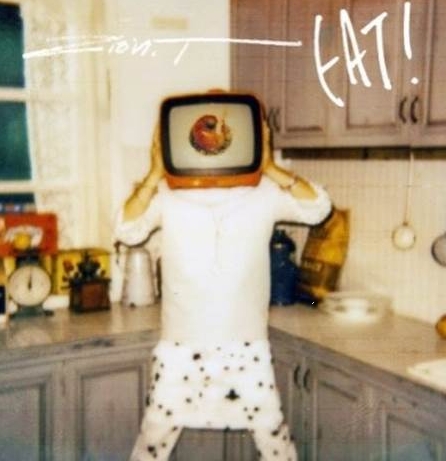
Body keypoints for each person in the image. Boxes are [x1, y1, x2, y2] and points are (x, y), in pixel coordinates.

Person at [114, 113, 332, 461]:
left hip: (246, 349)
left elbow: (318, 208)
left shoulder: (263, 192)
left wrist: (270, 166)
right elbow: (127, 229)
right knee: (150, 446)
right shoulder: (169, 193)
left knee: (276, 446)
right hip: (180, 349)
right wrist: (155, 172)